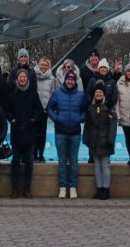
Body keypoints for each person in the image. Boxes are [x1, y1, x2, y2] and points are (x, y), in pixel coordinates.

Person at [47, 70, 85, 199]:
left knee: (74, 161)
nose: (70, 82)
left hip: (75, 133)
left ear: (75, 81)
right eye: (68, 79)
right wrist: (56, 118)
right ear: (65, 81)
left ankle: (73, 187)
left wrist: (80, 118)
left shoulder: (80, 95)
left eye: (72, 80)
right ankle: (63, 187)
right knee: (62, 161)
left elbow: (85, 110)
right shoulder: (57, 94)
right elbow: (49, 108)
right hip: (60, 132)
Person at [5, 69, 41, 197]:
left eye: (24, 77)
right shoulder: (13, 93)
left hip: (30, 133)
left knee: (29, 161)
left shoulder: (33, 93)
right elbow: (7, 110)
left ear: (27, 79)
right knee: (15, 161)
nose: (22, 79)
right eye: (20, 77)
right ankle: (15, 188)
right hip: (16, 132)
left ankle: (27, 188)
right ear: (17, 78)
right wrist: (12, 120)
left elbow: (39, 110)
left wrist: (33, 120)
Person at [84, 82, 118, 200]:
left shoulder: (109, 108)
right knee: (97, 166)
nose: (98, 94)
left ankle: (106, 190)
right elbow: (87, 126)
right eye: (97, 92)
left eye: (100, 92)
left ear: (104, 95)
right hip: (94, 141)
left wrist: (110, 140)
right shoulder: (90, 108)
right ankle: (99, 189)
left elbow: (113, 126)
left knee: (105, 166)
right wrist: (86, 139)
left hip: (105, 141)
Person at [32, 57, 54, 162]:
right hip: (35, 110)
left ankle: (41, 154)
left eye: (46, 65)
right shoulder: (33, 76)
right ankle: (34, 154)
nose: (43, 66)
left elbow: (52, 94)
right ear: (39, 65)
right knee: (34, 133)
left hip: (45, 110)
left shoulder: (52, 79)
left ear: (48, 66)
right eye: (42, 64)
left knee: (42, 133)